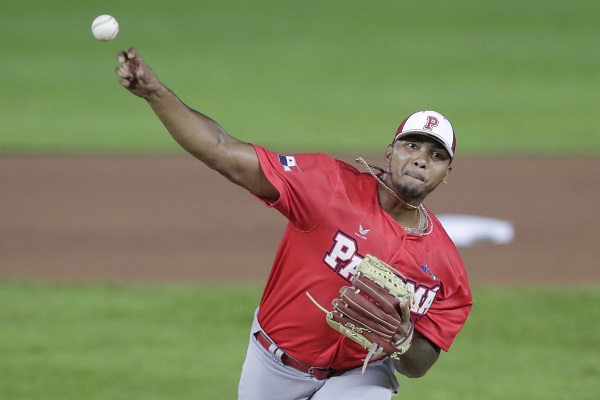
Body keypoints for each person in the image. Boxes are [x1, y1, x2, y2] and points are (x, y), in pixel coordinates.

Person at [115, 48, 472, 400]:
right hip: (273, 365)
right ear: (390, 151)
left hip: (360, 375)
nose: (421, 160)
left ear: (447, 173)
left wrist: (403, 338)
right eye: (412, 146)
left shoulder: (446, 266)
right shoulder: (328, 186)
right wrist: (155, 93)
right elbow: (223, 151)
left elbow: (421, 362)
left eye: (436, 155)